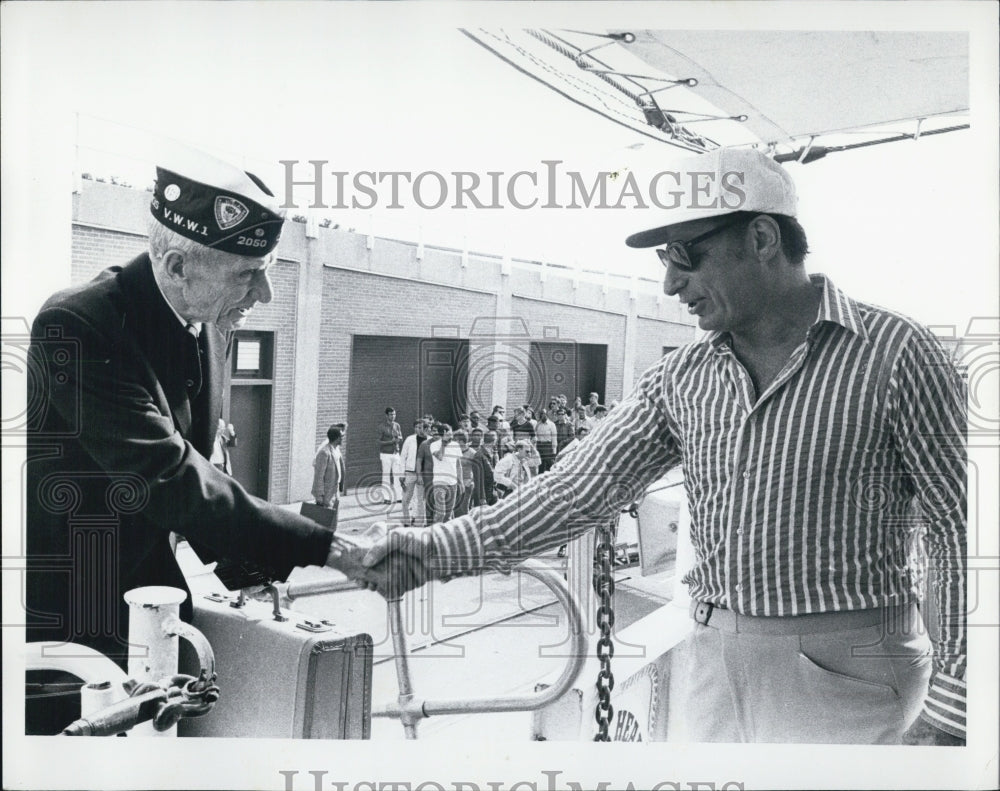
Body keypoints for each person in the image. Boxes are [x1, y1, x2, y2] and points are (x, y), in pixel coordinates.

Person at [362, 147, 966, 746]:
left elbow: (960, 531)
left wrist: (953, 707)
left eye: (685, 254)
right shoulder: (683, 376)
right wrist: (430, 552)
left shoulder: (896, 353)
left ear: (761, 238)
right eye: (664, 257)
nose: (671, 282)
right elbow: (575, 490)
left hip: (850, 678)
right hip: (710, 665)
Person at [24, 153, 383, 732]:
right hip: (73, 639)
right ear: (176, 264)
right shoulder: (78, 325)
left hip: (160, 622)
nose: (264, 292)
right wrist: (333, 550)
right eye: (248, 273)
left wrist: (250, 570)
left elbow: (201, 466)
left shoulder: (209, 322)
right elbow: (168, 478)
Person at [312, 425, 345, 528]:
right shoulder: (324, 453)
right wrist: (319, 496)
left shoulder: (336, 450)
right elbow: (318, 476)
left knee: (333, 522)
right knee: (324, 523)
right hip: (326, 493)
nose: (343, 438)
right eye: (341, 436)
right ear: (336, 438)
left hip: (335, 491)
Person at [427, 423, 462, 522]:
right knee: (440, 513)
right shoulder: (434, 445)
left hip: (453, 482)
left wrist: (461, 482)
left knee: (448, 515)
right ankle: (433, 534)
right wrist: (443, 443)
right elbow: (440, 457)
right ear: (442, 435)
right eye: (448, 435)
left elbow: (458, 465)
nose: (450, 437)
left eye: (451, 434)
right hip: (439, 482)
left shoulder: (456, 445)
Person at [399, 419, 428, 526]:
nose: (419, 430)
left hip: (422, 474)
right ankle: (406, 520)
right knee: (406, 498)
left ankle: (419, 522)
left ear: (426, 428)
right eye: (417, 427)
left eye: (422, 427)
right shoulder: (410, 439)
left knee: (420, 499)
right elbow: (403, 457)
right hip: (410, 472)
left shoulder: (429, 440)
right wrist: (401, 473)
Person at [377, 406, 403, 505]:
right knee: (386, 475)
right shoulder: (381, 426)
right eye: (391, 414)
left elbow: (400, 436)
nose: (393, 416)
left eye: (394, 414)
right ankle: (386, 497)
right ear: (386, 415)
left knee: (397, 474)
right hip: (385, 454)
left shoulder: (397, 425)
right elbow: (378, 441)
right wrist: (390, 441)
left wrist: (399, 439)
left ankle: (399, 496)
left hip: (396, 453)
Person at [534, 408, 557, 473]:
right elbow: (535, 435)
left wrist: (554, 451)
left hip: (547, 446)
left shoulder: (551, 424)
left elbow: (554, 438)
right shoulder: (538, 424)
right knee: (540, 464)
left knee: (550, 463)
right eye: (542, 414)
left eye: (544, 414)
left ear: (547, 415)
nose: (543, 416)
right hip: (539, 446)